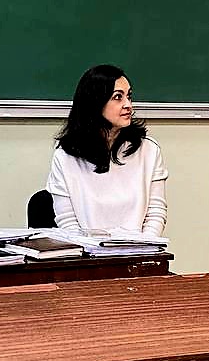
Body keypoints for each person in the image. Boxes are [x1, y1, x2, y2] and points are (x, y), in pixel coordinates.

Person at [46, 64, 168, 236]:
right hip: (87, 251)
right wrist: (91, 249)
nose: (128, 105)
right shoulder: (65, 156)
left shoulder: (149, 150)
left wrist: (144, 247)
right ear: (95, 102)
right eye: (118, 97)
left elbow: (156, 214)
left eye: (129, 96)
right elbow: (67, 221)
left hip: (140, 249)